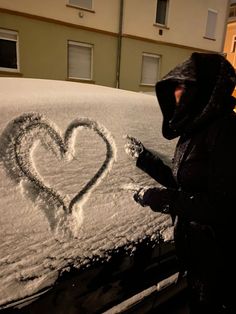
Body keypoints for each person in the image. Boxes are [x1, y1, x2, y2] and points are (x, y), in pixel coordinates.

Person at [124, 52, 236, 314]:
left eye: (183, 86)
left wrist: (160, 199)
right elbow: (183, 184)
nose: (176, 92)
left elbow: (222, 207)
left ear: (205, 87)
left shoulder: (227, 131)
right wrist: (144, 160)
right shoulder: (194, 131)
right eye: (176, 86)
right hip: (197, 262)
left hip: (220, 268)